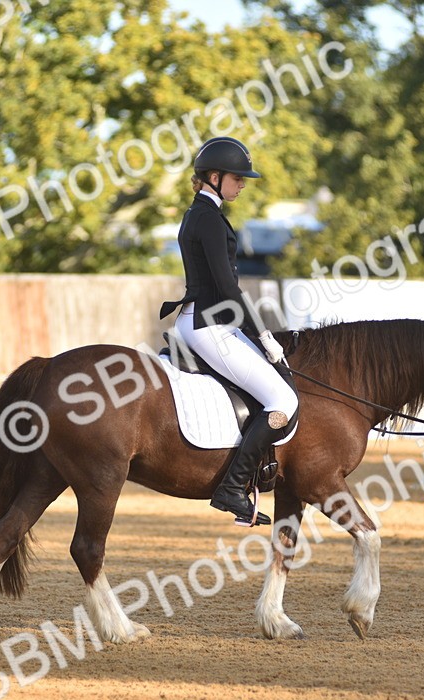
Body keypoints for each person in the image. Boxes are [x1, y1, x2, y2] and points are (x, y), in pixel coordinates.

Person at [159, 137, 300, 526]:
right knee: (282, 402)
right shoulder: (206, 218)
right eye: (238, 178)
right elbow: (227, 290)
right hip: (209, 324)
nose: (243, 184)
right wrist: (263, 336)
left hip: (201, 320)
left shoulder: (201, 213)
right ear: (215, 176)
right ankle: (232, 488)